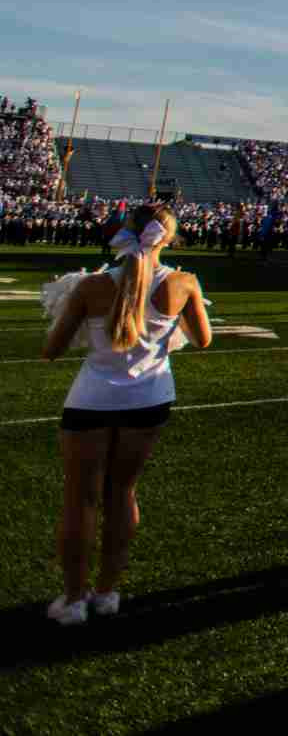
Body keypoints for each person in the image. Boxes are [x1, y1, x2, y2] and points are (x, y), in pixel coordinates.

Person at [41, 204, 212, 625]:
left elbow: (52, 351)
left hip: (91, 399)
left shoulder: (90, 287)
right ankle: (106, 594)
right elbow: (203, 340)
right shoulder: (184, 283)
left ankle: (74, 600)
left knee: (80, 500)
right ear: (169, 239)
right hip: (149, 399)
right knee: (123, 493)